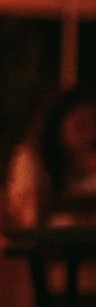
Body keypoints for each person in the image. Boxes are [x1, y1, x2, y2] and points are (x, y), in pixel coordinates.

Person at [7, 86, 96, 229]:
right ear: (58, 125)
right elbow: (31, 219)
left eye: (95, 122)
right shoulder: (32, 159)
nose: (91, 134)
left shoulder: (90, 165)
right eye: (81, 125)